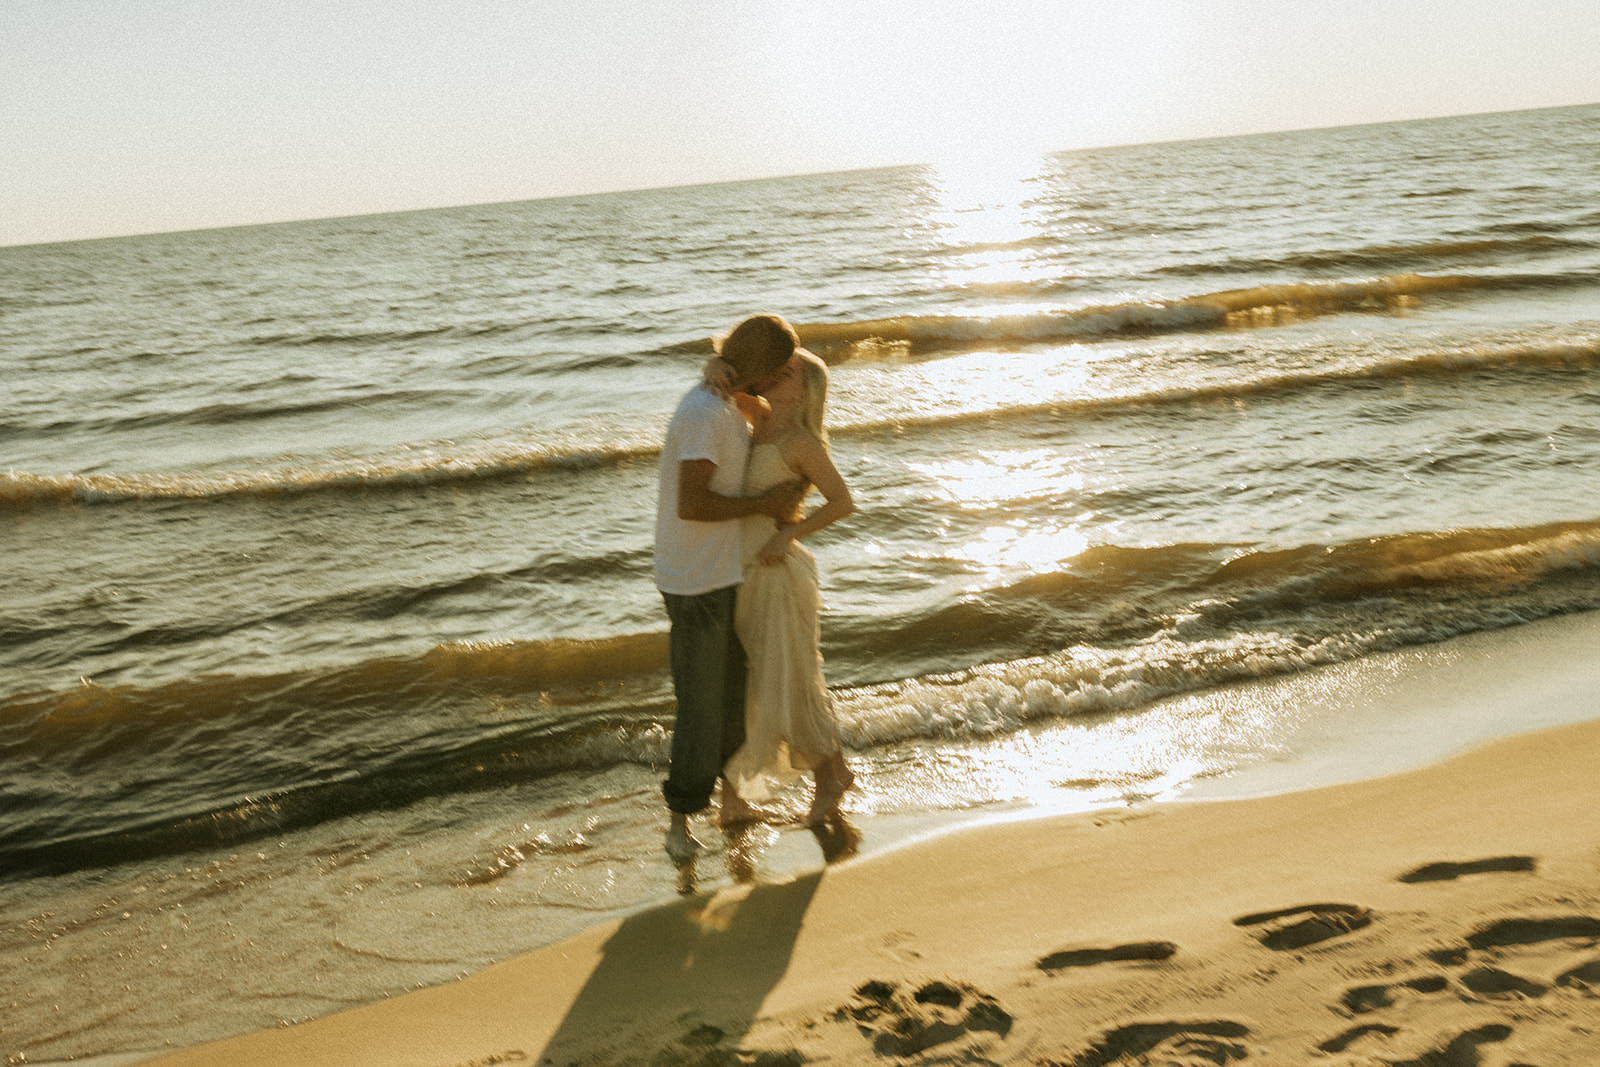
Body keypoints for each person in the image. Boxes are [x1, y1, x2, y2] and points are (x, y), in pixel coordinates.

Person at [654, 314, 805, 864]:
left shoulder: (725, 402)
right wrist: (765, 505)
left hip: (721, 574)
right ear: (763, 369)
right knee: (701, 705)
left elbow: (761, 409)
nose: (787, 375)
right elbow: (691, 505)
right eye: (781, 368)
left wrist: (724, 371)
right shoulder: (702, 413)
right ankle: (677, 821)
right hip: (694, 582)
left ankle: (731, 802)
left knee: (734, 698)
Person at [711, 345, 857, 827]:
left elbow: (842, 502)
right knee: (762, 682)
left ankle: (827, 778)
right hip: (742, 570)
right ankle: (829, 773)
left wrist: (789, 532)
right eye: (777, 366)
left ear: (804, 388)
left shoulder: (801, 442)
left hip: (776, 573)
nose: (777, 373)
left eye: (788, 370)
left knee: (788, 681)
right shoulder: (757, 415)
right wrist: (713, 367)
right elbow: (727, 383)